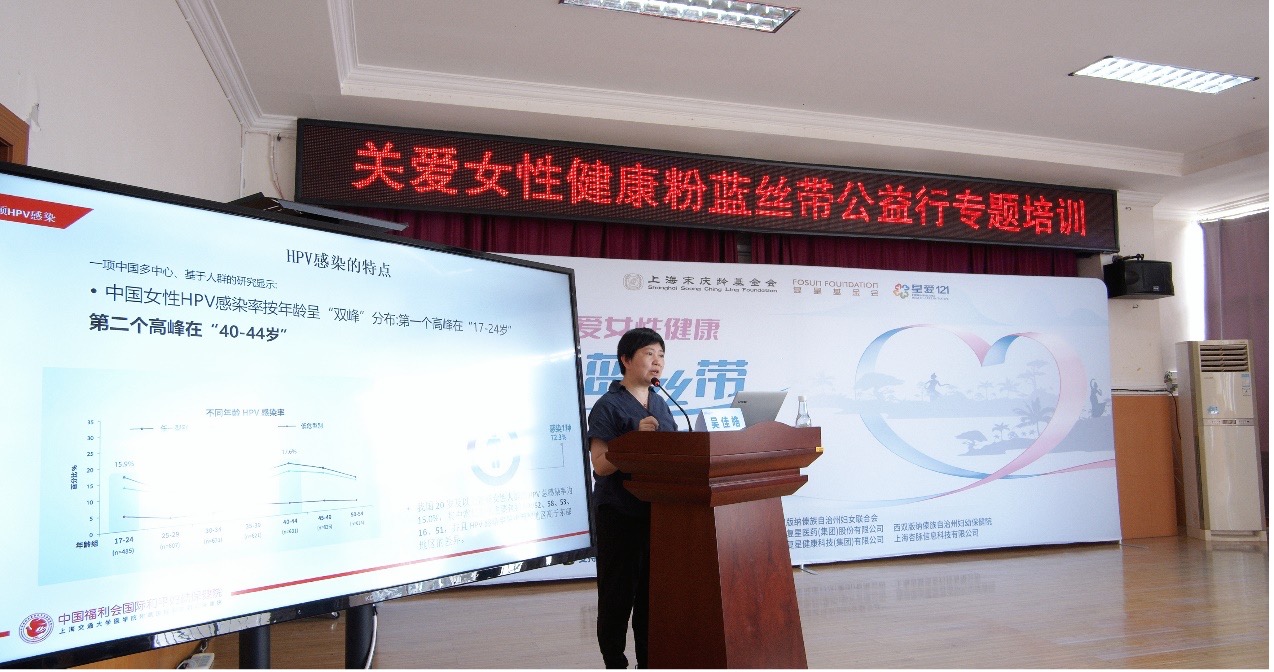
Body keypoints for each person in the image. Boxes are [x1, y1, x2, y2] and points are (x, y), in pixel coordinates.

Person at [586, 327, 678, 669]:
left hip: (657, 512)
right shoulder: (608, 406)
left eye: (661, 355)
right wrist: (633, 440)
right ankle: (615, 662)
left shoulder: (661, 403)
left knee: (652, 596)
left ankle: (649, 662)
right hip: (619, 513)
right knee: (617, 594)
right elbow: (600, 465)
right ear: (625, 359)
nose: (657, 362)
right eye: (649, 354)